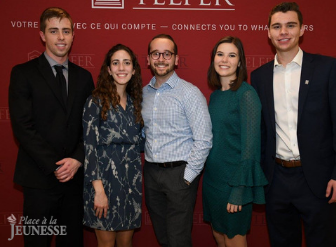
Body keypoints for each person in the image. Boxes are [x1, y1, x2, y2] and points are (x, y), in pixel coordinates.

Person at [251, 2, 336, 247]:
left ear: (302, 30)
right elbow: (262, 132)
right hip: (276, 180)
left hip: (319, 180)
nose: (283, 32)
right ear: (268, 32)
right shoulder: (259, 77)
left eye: (290, 25)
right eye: (277, 26)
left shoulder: (327, 68)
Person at [8, 7, 94, 247]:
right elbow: (23, 127)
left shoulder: (84, 77)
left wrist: (77, 159)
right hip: (39, 178)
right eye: (54, 31)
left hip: (75, 180)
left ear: (73, 35)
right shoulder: (23, 74)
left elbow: (90, 126)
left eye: (66, 31)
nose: (61, 37)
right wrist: (55, 166)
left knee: (72, 243)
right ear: (42, 35)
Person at [142, 34, 213, 247]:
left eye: (167, 54)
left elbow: (204, 139)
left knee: (178, 240)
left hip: (179, 175)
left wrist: (188, 177)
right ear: (148, 59)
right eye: (156, 53)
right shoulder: (143, 93)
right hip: (152, 173)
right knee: (163, 237)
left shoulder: (189, 93)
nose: (161, 58)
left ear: (176, 59)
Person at [202, 36, 267, 247]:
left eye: (232, 55)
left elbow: (251, 148)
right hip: (213, 181)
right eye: (220, 54)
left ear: (240, 62)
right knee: (219, 237)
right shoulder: (216, 96)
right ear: (213, 59)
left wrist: (239, 190)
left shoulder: (246, 95)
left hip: (234, 182)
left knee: (234, 239)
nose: (224, 60)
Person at [82, 44, 143, 247]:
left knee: (126, 243)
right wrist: (99, 191)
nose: (121, 68)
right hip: (104, 183)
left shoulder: (135, 104)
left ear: (134, 69)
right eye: (115, 63)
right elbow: (89, 149)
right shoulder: (95, 101)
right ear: (108, 69)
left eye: (126, 63)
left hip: (131, 182)